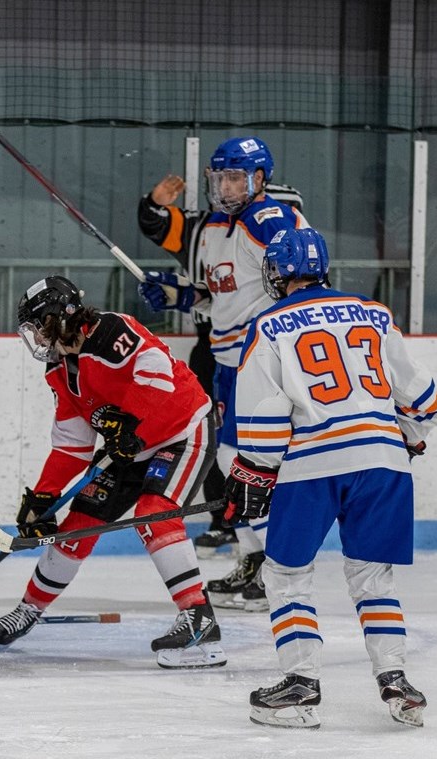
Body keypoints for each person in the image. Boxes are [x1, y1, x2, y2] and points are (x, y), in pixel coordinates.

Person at [228, 227, 437, 729]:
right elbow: (425, 400)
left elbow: (264, 414)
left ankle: (300, 682)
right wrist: (405, 440)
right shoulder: (374, 313)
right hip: (383, 462)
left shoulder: (268, 325)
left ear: (277, 273)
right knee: (372, 577)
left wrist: (256, 471)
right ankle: (396, 680)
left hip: (312, 465)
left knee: (285, 574)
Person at [0, 276, 224, 669]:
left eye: (38, 325)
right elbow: (72, 444)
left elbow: (158, 375)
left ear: (58, 317)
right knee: (79, 522)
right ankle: (29, 609)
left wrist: (133, 424)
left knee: (153, 513)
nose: (36, 337)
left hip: (182, 432)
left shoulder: (113, 331)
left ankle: (198, 616)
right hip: (129, 447)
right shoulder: (59, 370)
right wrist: (44, 496)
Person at [138, 137, 310, 614]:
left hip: (264, 364)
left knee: (248, 463)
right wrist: (178, 296)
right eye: (220, 178)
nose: (227, 187)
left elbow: (300, 289)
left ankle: (280, 570)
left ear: (259, 179)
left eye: (236, 178)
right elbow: (220, 296)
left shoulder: (271, 222)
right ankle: (255, 561)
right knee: (231, 463)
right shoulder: (214, 227)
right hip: (227, 364)